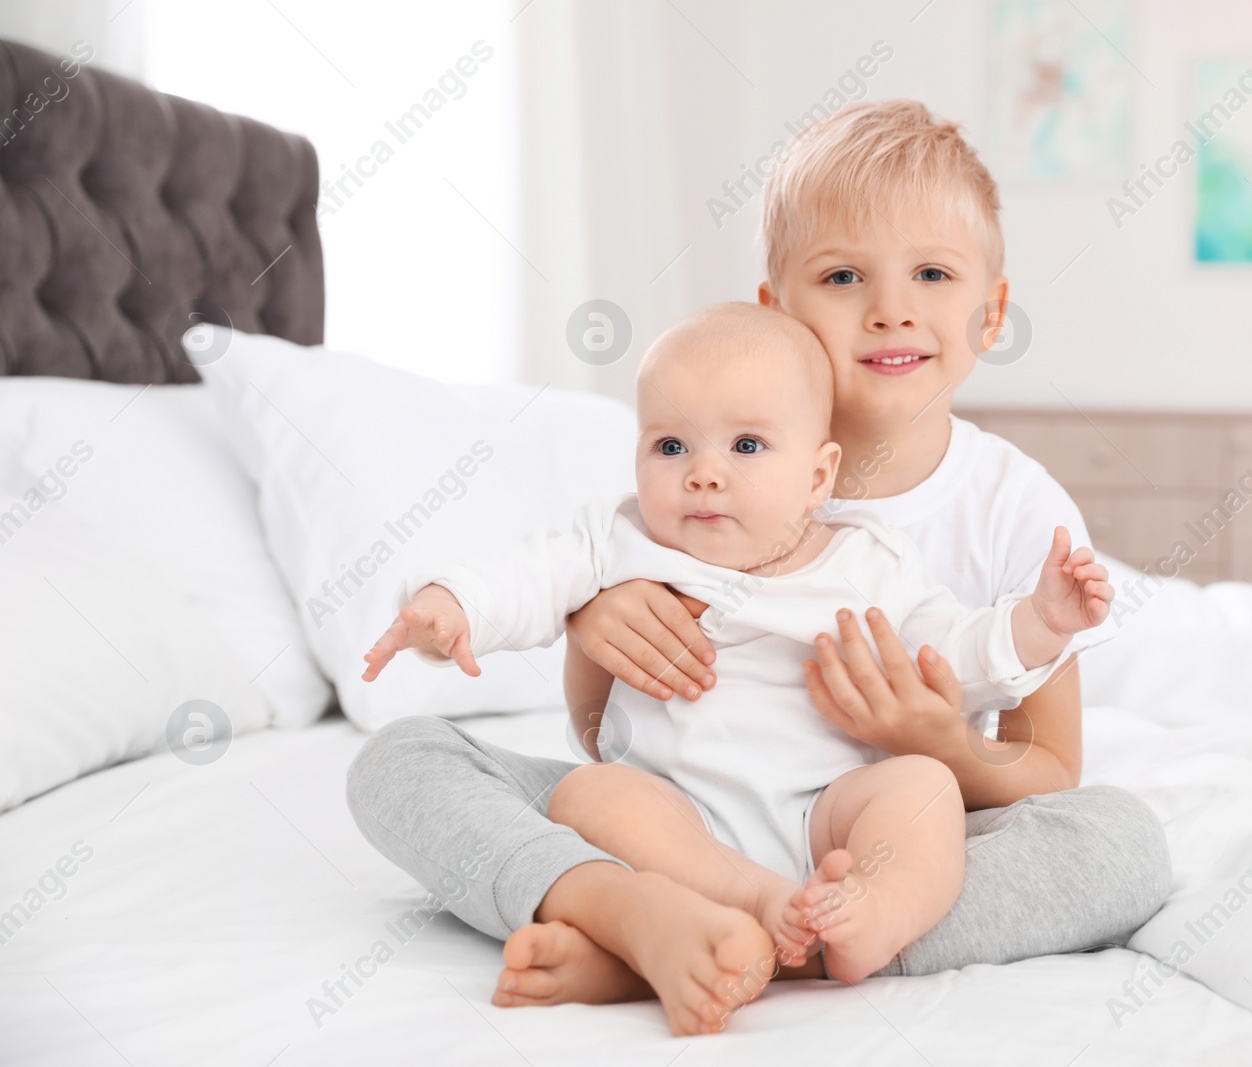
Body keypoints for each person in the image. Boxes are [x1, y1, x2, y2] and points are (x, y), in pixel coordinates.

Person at [346, 97, 1170, 1034]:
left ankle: (682, 947)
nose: (891, 308)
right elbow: (595, 733)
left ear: (991, 310)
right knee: (403, 760)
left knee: (1119, 841)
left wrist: (937, 743)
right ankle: (645, 912)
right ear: (774, 306)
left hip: (866, 832)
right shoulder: (687, 475)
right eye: (844, 275)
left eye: (933, 273)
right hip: (675, 814)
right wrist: (594, 624)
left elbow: (1052, 770)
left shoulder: (1012, 512)